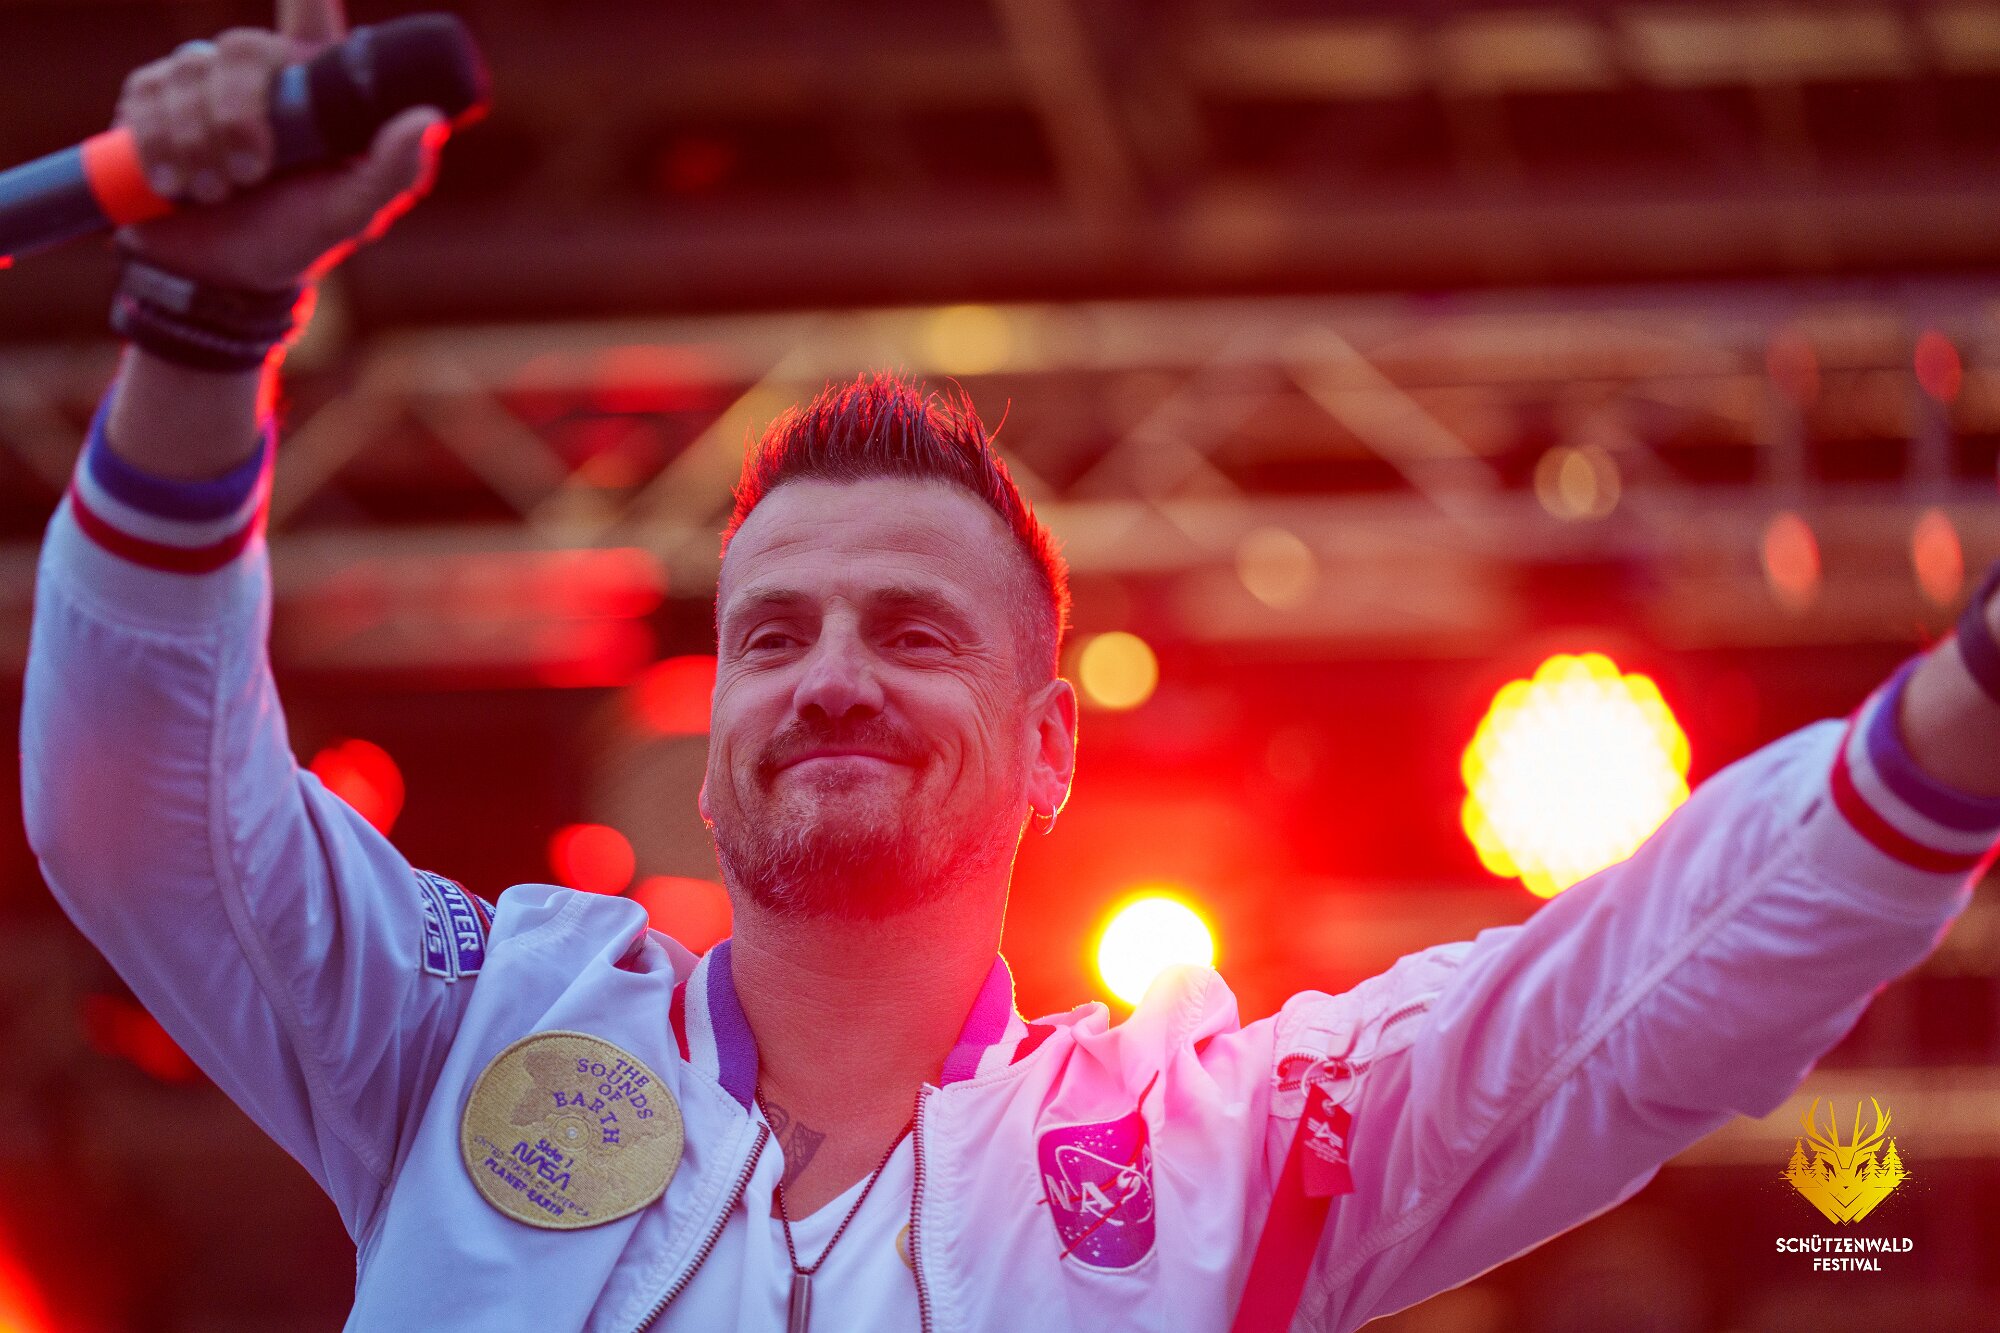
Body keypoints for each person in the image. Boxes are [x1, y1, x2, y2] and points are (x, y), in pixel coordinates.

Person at [20, 3, 2000, 1330]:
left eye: (914, 629)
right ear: (707, 751)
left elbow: (1630, 1000)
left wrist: (1972, 700)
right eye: (773, 632)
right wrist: (207, 316)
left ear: (1055, 745)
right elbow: (136, 816)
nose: (831, 673)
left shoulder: (1220, 1148)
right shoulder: (470, 1025)